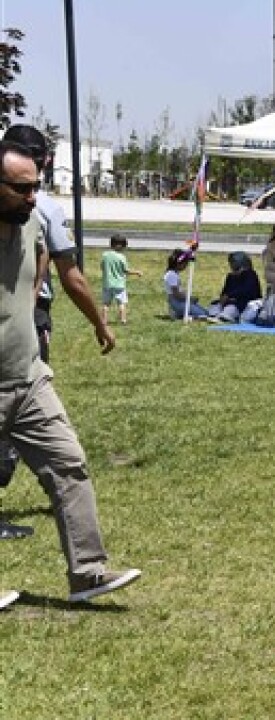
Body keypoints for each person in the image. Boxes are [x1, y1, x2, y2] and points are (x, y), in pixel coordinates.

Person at [0, 140, 141, 604]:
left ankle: (87, 573)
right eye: (21, 189)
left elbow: (47, 265)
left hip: (28, 377)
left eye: (35, 187)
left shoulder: (32, 223)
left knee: (68, 463)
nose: (32, 197)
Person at [0, 126, 110, 514]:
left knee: (62, 457)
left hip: (23, 338)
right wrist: (99, 322)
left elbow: (44, 262)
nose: (30, 195)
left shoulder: (34, 211)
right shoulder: (46, 208)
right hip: (27, 326)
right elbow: (70, 275)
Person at [99, 233, 143, 325]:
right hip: (119, 284)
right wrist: (136, 272)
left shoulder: (105, 255)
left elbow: (102, 267)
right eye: (124, 246)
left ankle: (104, 321)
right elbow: (126, 270)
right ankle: (123, 320)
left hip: (107, 284)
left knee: (106, 303)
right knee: (121, 303)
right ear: (119, 246)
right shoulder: (122, 257)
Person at [208, 251, 263, 323]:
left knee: (230, 308)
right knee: (215, 305)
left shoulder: (251, 275)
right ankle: (214, 315)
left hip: (245, 303)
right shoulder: (230, 276)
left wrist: (229, 296)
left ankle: (223, 317)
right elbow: (225, 291)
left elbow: (246, 291)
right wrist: (223, 298)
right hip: (230, 302)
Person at [163, 249, 209, 320]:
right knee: (203, 315)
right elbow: (176, 294)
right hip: (177, 302)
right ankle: (184, 316)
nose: (186, 266)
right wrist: (189, 299)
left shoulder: (173, 274)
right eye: (185, 263)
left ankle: (179, 314)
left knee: (206, 312)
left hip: (179, 301)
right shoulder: (171, 275)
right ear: (178, 263)